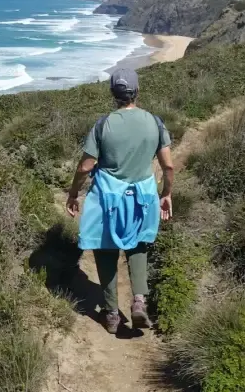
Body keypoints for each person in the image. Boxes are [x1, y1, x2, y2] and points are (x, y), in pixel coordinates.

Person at [65, 67, 174, 334]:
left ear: (113, 92)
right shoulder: (155, 122)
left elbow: (85, 167)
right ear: (137, 91)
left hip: (108, 198)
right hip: (143, 196)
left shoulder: (103, 124)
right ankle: (139, 300)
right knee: (138, 246)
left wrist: (73, 193)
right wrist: (166, 194)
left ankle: (112, 313)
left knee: (106, 250)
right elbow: (168, 166)